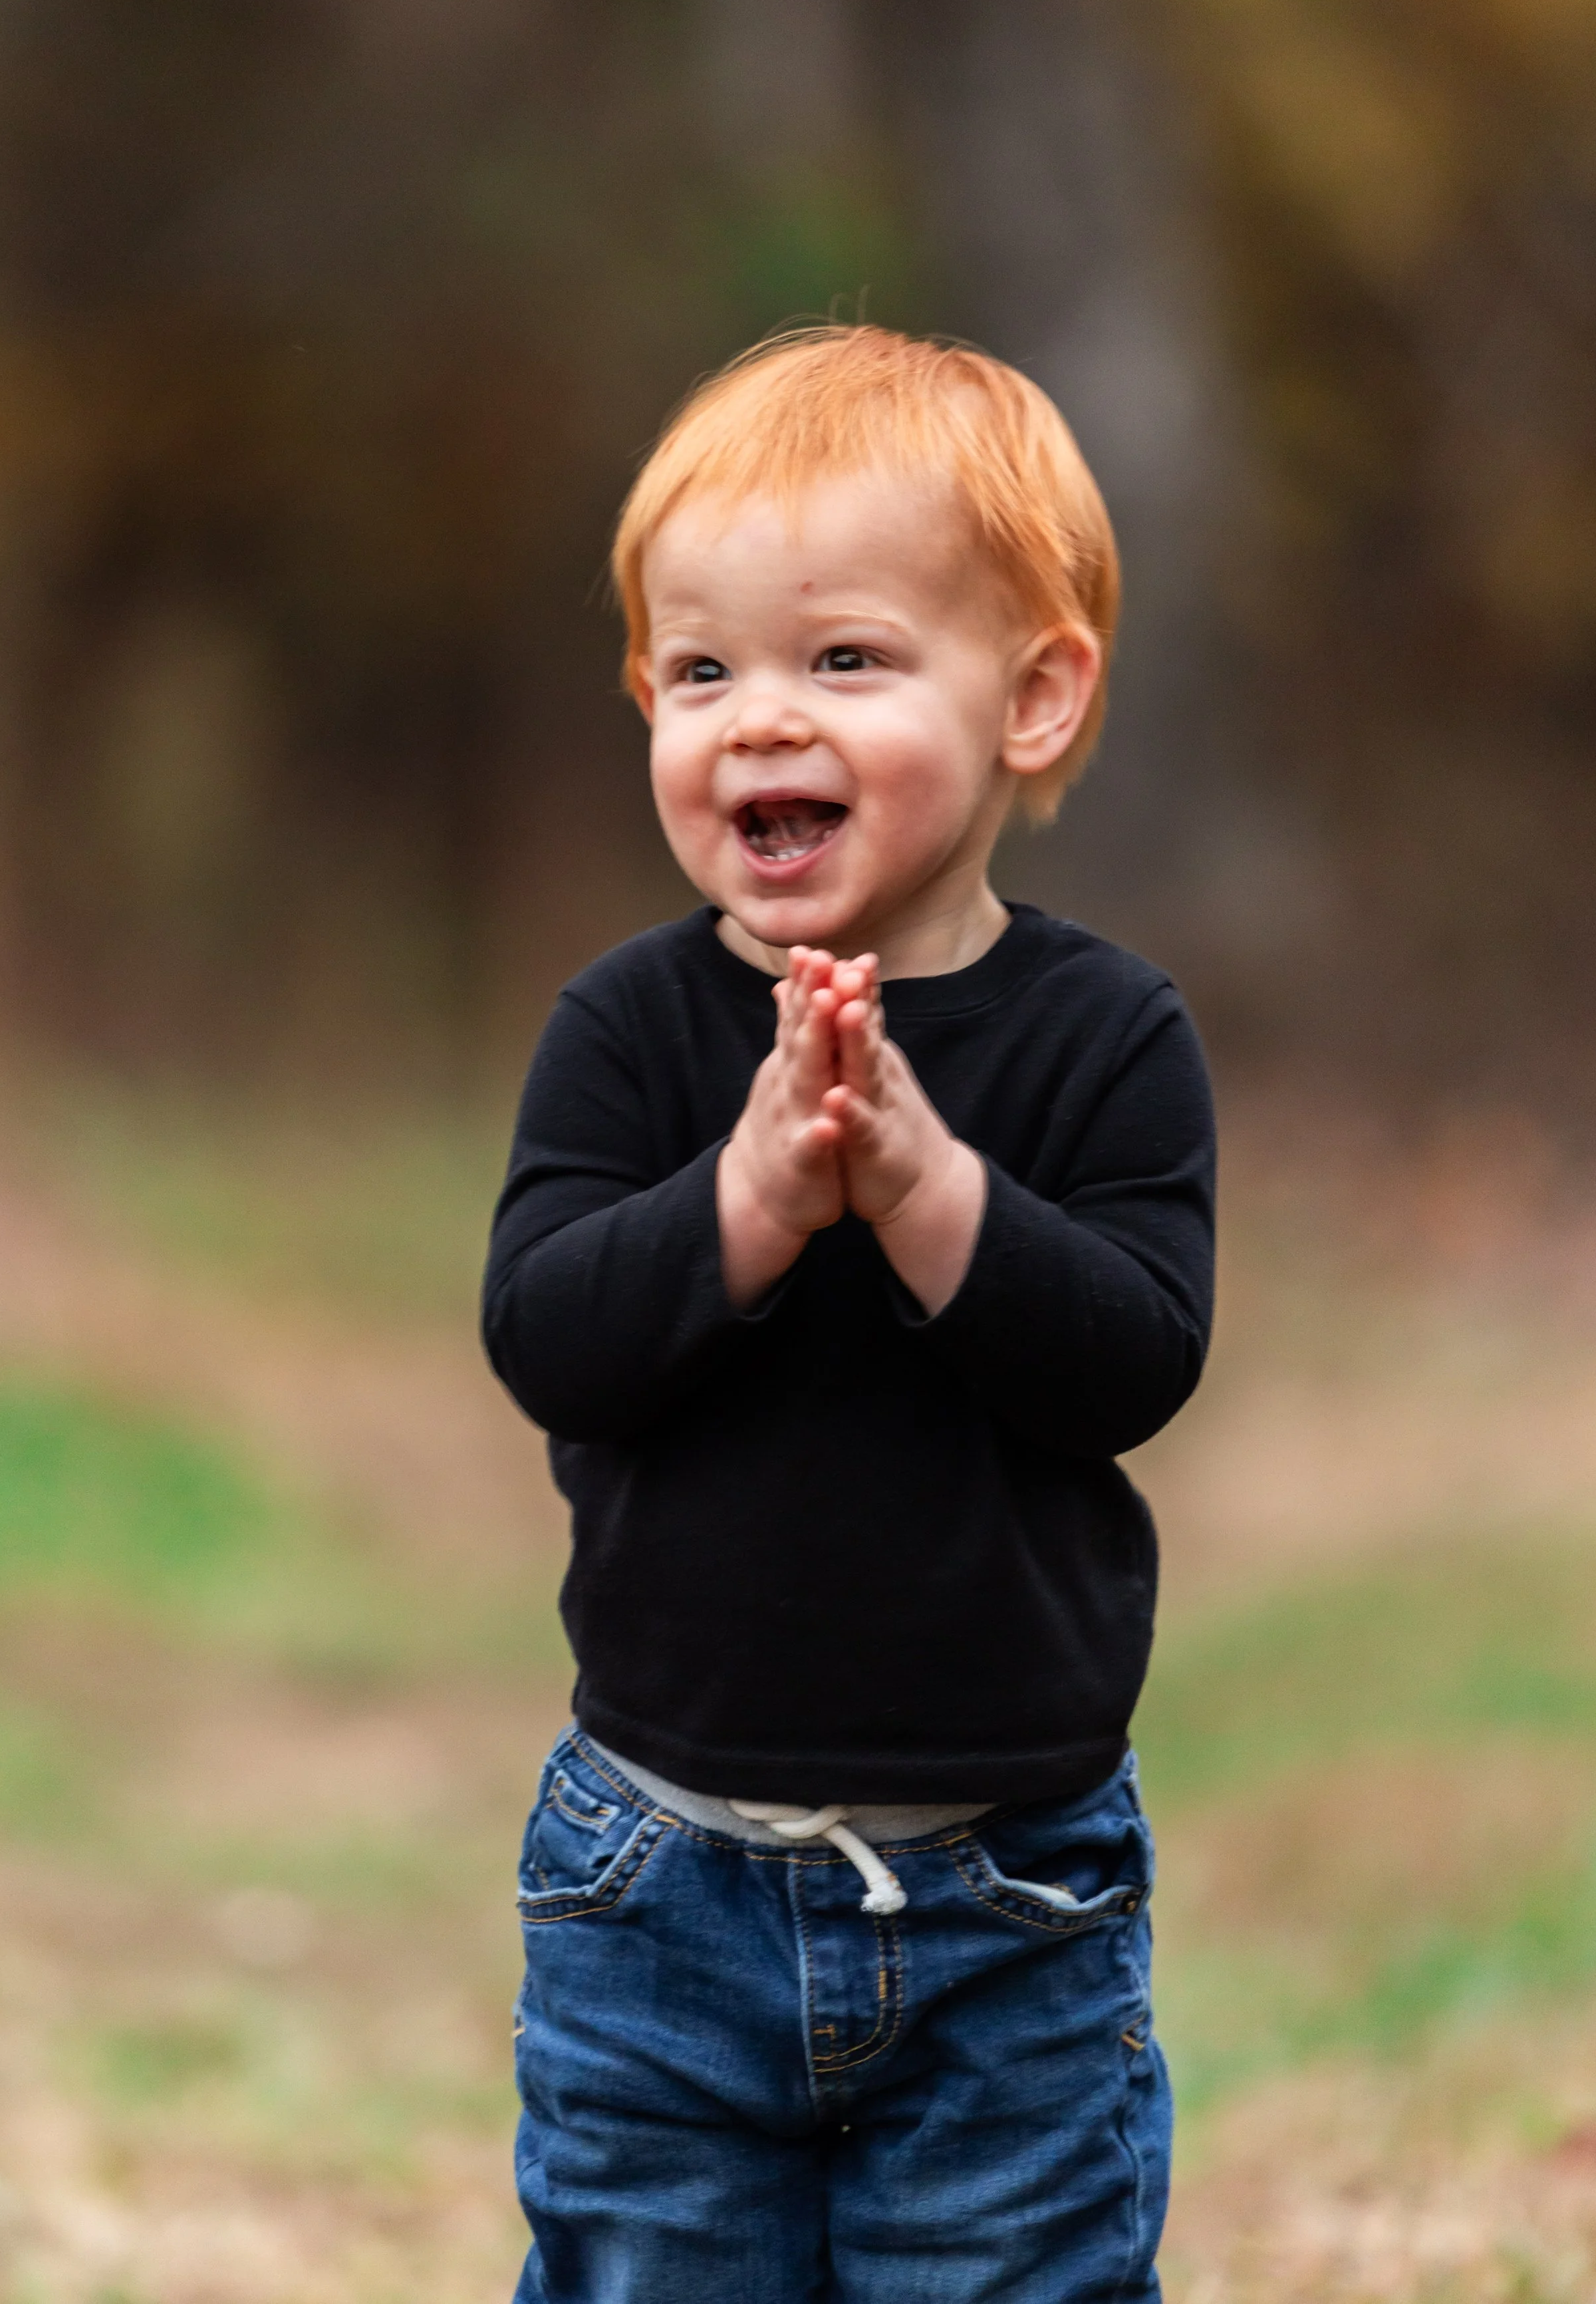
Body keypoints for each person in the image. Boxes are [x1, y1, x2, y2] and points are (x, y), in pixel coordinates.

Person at [481, 324, 1215, 2304]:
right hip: (657, 1877)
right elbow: (549, 1333)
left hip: (1011, 1894)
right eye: (699, 670)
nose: (757, 720)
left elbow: (1133, 1356)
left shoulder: (1101, 1037)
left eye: (846, 660)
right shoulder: (629, 1031)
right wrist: (745, 1199)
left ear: (1035, 698)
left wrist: (918, 1184)